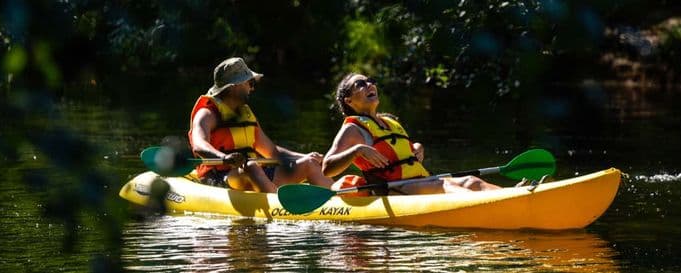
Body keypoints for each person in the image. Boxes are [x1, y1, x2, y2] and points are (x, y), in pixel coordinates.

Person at [322, 73, 502, 195]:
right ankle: (492, 205)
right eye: (360, 84)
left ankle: (511, 195)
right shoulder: (353, 129)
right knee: (443, 184)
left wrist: (417, 147)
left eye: (371, 81)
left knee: (471, 181)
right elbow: (327, 167)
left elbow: (400, 151)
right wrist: (357, 150)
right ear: (349, 100)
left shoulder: (389, 122)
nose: (370, 84)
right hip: (393, 189)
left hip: (419, 182)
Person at [188, 57, 334, 193]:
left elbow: (271, 151)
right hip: (220, 177)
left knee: (310, 163)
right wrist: (224, 158)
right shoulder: (207, 114)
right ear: (234, 87)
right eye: (249, 83)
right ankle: (277, 205)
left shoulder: (245, 114)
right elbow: (199, 145)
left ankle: (340, 204)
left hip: (254, 173)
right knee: (251, 166)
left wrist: (304, 156)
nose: (252, 88)